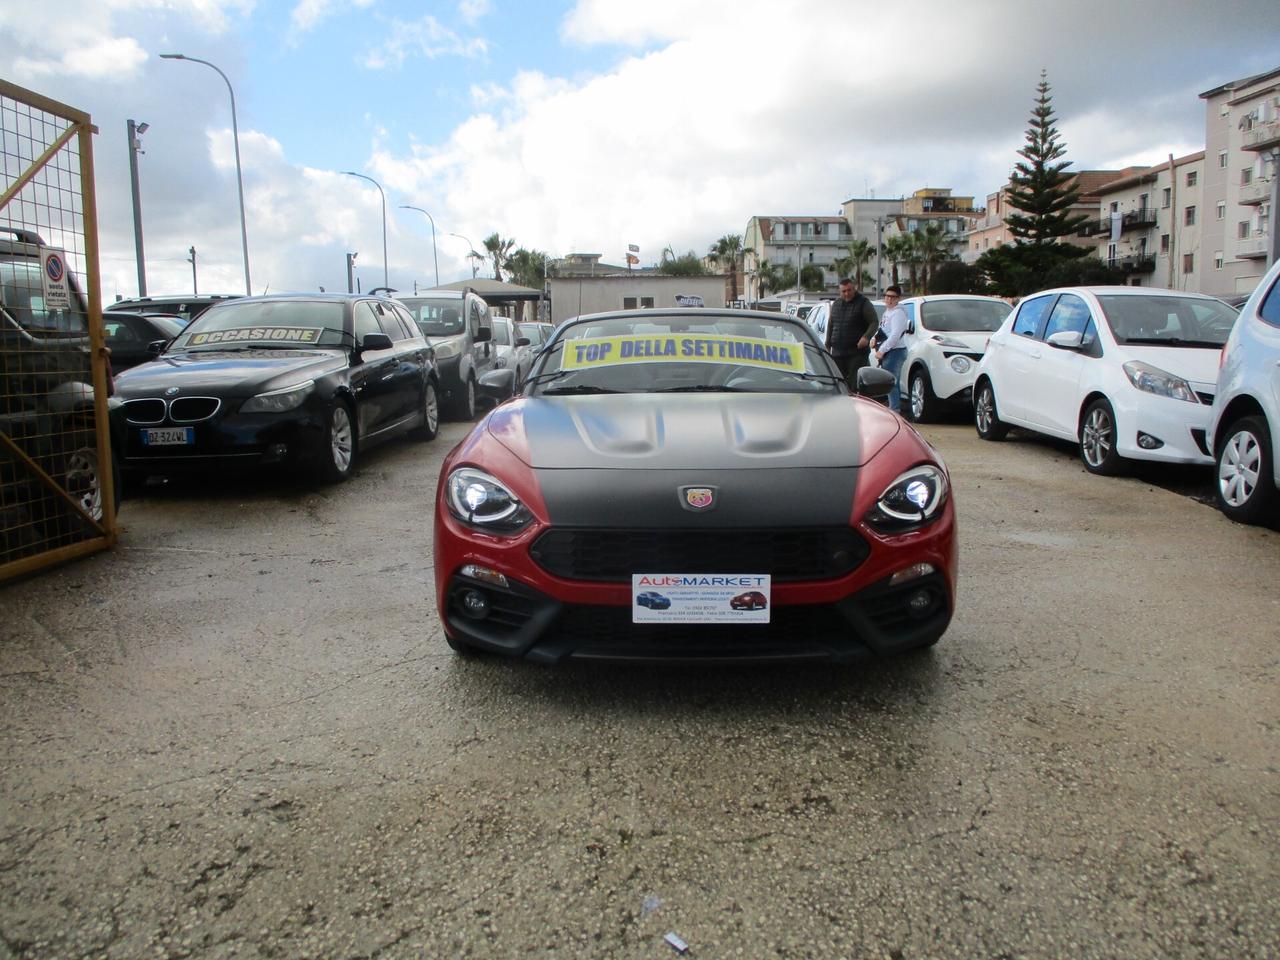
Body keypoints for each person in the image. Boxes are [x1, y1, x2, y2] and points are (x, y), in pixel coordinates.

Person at [826, 277, 880, 384]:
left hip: (856, 354)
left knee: (855, 384)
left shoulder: (863, 303)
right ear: (840, 291)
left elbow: (874, 322)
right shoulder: (836, 304)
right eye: (843, 291)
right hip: (837, 353)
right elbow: (831, 324)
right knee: (838, 384)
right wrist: (827, 344)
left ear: (854, 288)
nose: (847, 293)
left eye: (849, 290)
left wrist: (866, 337)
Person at [875, 285, 910, 413]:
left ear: (898, 299)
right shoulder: (888, 312)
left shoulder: (898, 313)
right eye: (887, 296)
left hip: (895, 351)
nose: (889, 299)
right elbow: (884, 330)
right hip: (890, 351)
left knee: (891, 382)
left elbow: (895, 335)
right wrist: (875, 339)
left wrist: (882, 350)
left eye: (892, 297)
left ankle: (895, 409)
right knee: (890, 381)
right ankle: (893, 407)